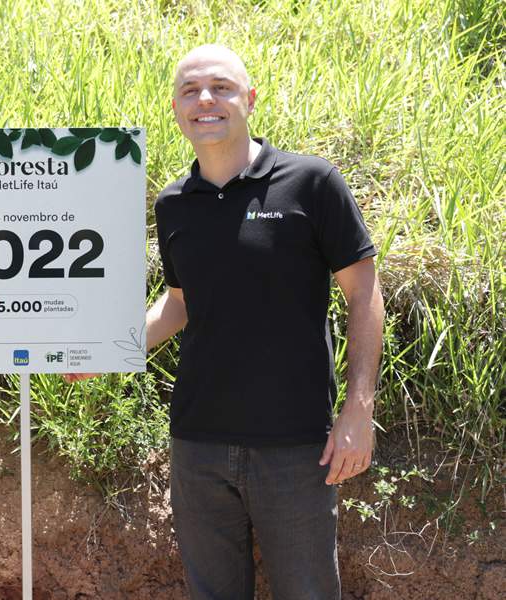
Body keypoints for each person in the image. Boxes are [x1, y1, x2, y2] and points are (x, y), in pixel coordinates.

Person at [68, 44, 384, 599]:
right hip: (198, 446)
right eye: (190, 90)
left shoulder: (311, 183)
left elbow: (364, 294)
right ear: (175, 109)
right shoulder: (173, 204)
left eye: (221, 87)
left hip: (296, 447)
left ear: (250, 100)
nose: (205, 100)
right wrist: (111, 350)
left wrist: (358, 409)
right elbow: (180, 304)